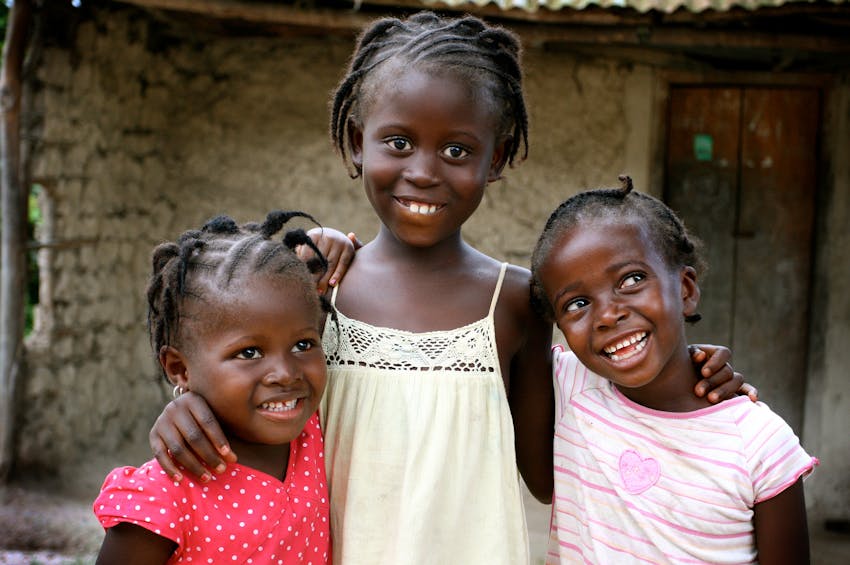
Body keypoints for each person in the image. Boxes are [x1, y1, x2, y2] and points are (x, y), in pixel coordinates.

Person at [145, 13, 749, 564]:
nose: (424, 170)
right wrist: (186, 407)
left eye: (457, 149)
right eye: (399, 142)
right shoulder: (313, 290)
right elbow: (245, 381)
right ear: (358, 142)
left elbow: (547, 473)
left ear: (499, 156)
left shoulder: (517, 303)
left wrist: (687, 378)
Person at [530, 176, 817, 564]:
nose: (608, 315)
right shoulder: (569, 388)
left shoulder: (760, 444)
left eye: (632, 280)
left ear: (685, 290)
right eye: (577, 303)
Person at [93, 211, 333, 565]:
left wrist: (341, 245)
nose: (285, 374)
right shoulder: (165, 495)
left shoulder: (317, 435)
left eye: (302, 345)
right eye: (249, 352)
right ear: (179, 368)